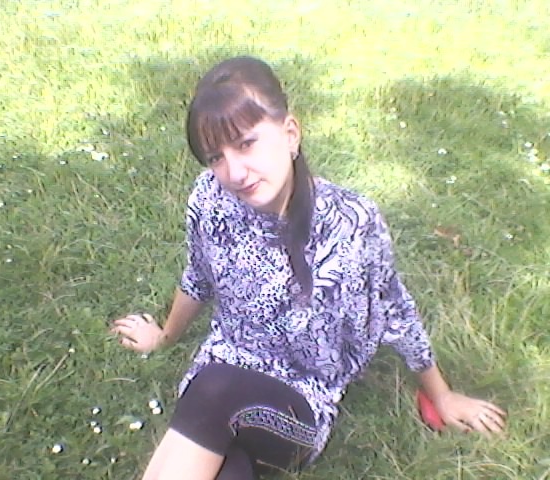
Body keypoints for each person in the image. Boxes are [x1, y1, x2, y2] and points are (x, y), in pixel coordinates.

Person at [110, 56, 506, 480]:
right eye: (215, 157)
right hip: (222, 366)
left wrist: (441, 395)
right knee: (228, 466)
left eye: (245, 144)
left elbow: (394, 309)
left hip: (298, 405)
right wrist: (164, 337)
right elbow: (199, 276)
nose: (234, 172)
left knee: (214, 389)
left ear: (290, 133)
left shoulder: (351, 224)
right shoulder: (210, 199)